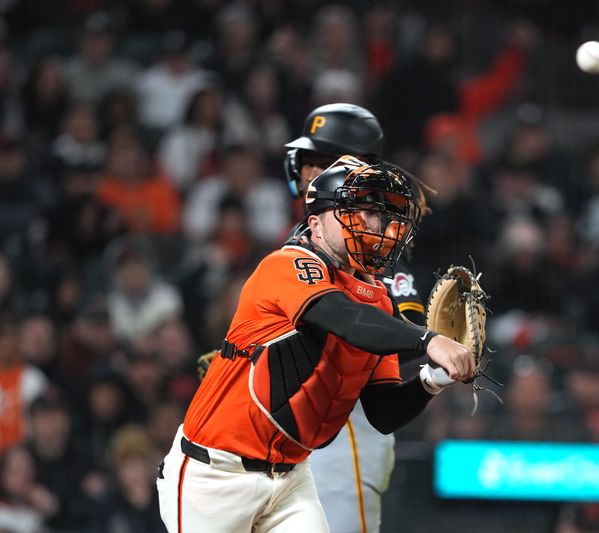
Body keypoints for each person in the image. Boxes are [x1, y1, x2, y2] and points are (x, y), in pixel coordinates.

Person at [157, 156, 474, 532]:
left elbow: (383, 413)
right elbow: (341, 316)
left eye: (384, 214)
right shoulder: (287, 264)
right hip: (215, 476)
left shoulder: (378, 302)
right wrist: (429, 339)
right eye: (364, 211)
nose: (379, 225)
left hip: (292, 479)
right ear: (316, 224)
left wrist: (431, 380)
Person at [284, 103, 427, 533]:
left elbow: (402, 339)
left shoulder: (375, 249)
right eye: (309, 162)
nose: (311, 173)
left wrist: (430, 343)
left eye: (325, 162)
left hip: (348, 428)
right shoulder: (316, 237)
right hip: (301, 431)